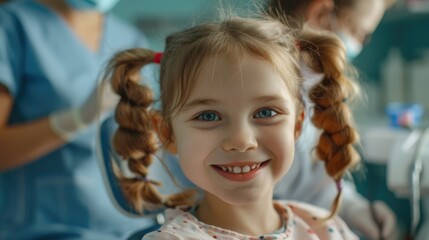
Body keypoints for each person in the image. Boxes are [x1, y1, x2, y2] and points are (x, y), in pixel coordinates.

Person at [105, 13, 363, 239]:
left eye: (266, 112)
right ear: (167, 133)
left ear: (297, 125)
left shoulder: (325, 228)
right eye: (208, 116)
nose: (241, 140)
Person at [0, 0, 157, 239]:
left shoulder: (129, 38)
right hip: (46, 228)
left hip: (134, 226)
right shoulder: (13, 25)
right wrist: (77, 119)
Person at [266, 0, 397, 239]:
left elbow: (310, 185)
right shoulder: (249, 80)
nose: (358, 45)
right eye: (359, 33)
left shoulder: (314, 87)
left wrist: (350, 206)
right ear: (320, 12)